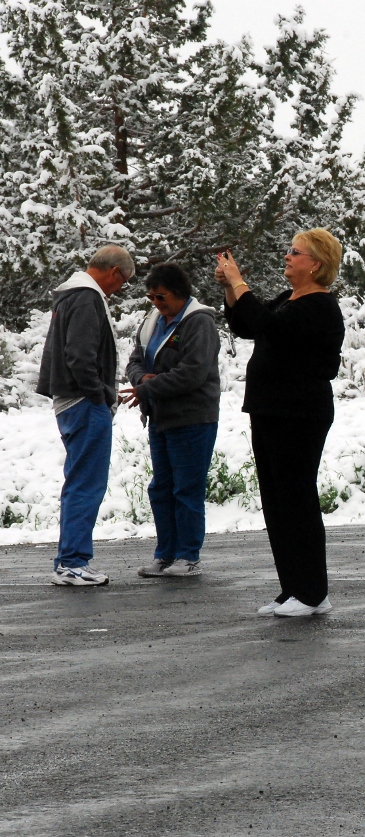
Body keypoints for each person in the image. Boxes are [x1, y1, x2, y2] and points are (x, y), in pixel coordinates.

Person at [216, 230, 346, 615]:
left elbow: (272, 328)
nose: (287, 256)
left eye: (295, 252)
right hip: (270, 410)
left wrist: (241, 283)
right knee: (276, 501)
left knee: (296, 498)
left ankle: (312, 593)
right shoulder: (290, 299)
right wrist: (229, 289)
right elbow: (247, 325)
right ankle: (292, 588)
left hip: (299, 412)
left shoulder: (320, 305)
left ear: (316, 264)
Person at [36, 245, 134, 586]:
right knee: (86, 484)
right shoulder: (87, 297)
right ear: (114, 273)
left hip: (69, 399)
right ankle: (74, 563)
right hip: (83, 402)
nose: (119, 289)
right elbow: (80, 355)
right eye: (123, 282)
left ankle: (69, 559)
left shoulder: (69, 294)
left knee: (77, 481)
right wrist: (100, 394)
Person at [120, 263, 220, 578]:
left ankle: (188, 556)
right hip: (161, 416)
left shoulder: (198, 322)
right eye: (151, 297)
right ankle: (165, 555)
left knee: (186, 490)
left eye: (161, 297)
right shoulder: (152, 322)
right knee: (161, 488)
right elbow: (135, 360)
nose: (156, 303)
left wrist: (148, 386)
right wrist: (142, 379)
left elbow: (193, 372)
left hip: (193, 417)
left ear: (179, 294)